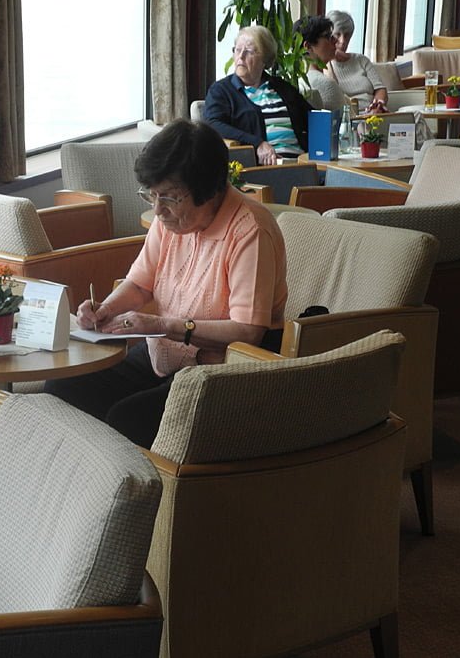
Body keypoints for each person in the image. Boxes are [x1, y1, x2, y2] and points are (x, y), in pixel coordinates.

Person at [43, 120, 288, 449]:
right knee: (63, 388)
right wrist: (105, 309)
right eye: (152, 195)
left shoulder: (249, 230)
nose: (158, 210)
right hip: (165, 354)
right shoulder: (170, 221)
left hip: (221, 370)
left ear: (209, 190)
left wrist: (161, 325)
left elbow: (248, 332)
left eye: (170, 197)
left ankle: (132, 480)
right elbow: (139, 285)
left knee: (127, 419)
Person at [203, 25, 312, 165]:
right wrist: (257, 143)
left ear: (265, 59)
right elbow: (212, 125)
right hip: (264, 168)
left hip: (301, 163)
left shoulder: (282, 88)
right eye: (237, 50)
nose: (241, 56)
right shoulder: (222, 91)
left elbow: (313, 118)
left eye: (249, 51)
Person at [326, 10, 389, 113]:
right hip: (350, 116)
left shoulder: (361, 60)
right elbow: (334, 95)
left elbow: (380, 89)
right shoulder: (325, 66)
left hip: (374, 113)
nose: (343, 41)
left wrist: (379, 104)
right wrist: (329, 57)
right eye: (337, 34)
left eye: (347, 35)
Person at [293, 15, 349, 111]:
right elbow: (348, 118)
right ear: (308, 46)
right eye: (328, 36)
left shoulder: (297, 80)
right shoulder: (326, 84)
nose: (335, 40)